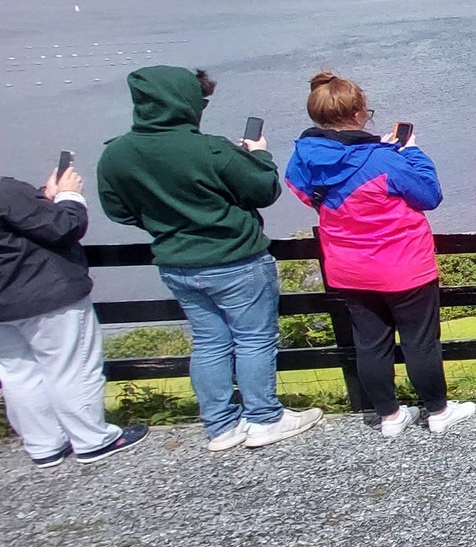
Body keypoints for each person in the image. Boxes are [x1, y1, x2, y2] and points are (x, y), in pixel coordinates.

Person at [96, 66, 320, 451]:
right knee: (253, 339)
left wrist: (163, 222)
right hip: (236, 258)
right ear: (182, 103)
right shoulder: (211, 149)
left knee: (209, 343)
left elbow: (118, 211)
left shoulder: (116, 155)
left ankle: (220, 425)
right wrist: (261, 155)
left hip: (177, 263)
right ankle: (264, 418)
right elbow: (264, 190)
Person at [286, 73, 475, 437]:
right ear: (359, 112)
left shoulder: (304, 158)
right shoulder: (384, 160)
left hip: (348, 267)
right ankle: (437, 410)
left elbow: (302, 193)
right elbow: (429, 195)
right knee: (420, 341)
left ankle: (388, 416)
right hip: (404, 265)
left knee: (370, 342)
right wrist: (411, 152)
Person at [0, 162, 148, 465]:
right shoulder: (6, 189)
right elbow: (64, 227)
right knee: (72, 367)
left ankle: (44, 445)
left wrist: (44, 197)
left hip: (5, 305)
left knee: (18, 375)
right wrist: (69, 197)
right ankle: (93, 439)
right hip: (45, 293)